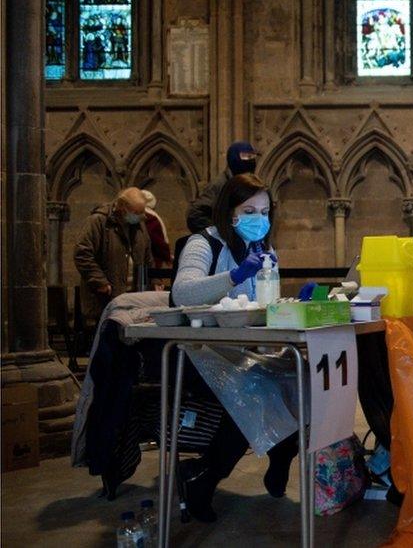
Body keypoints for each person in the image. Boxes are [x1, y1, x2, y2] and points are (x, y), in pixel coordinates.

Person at [171, 173, 297, 522]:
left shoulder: (266, 250)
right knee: (255, 390)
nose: (259, 218)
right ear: (229, 212)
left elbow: (264, 307)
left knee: (299, 381)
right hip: (202, 351)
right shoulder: (203, 244)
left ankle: (283, 457)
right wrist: (234, 276)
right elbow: (183, 293)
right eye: (249, 210)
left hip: (245, 349)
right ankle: (203, 477)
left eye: (265, 210)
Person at [74, 187, 153, 320]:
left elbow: (147, 256)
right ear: (123, 208)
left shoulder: (139, 226)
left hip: (133, 297)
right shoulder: (98, 221)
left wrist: (155, 279)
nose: (142, 216)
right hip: (106, 297)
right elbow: (82, 253)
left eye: (142, 212)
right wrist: (100, 281)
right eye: (137, 212)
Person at [186, 141, 259, 232]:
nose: (251, 161)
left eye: (252, 156)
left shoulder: (249, 183)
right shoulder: (220, 184)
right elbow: (195, 215)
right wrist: (220, 232)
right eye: (247, 157)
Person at [140, 189, 172, 268]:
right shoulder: (151, 217)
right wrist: (167, 256)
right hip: (151, 260)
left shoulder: (140, 214)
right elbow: (158, 240)